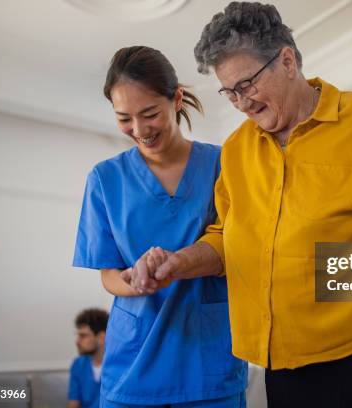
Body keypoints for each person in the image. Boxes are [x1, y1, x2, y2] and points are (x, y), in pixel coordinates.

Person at [129, 2, 352, 406]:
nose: (240, 103)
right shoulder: (238, 150)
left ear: (287, 60)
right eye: (229, 92)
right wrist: (179, 262)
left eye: (247, 84)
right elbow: (227, 239)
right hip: (283, 366)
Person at [72, 46, 247, 408]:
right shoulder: (105, 179)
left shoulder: (224, 164)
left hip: (208, 361)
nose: (139, 130)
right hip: (133, 364)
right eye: (124, 118)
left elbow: (239, 247)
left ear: (176, 99)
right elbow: (108, 276)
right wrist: (136, 279)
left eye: (150, 113)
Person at [68, 308, 108, 408]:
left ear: (101, 338)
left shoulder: (119, 366)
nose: (77, 341)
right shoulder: (78, 365)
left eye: (83, 336)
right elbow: (73, 403)